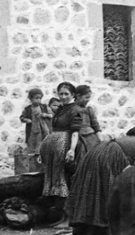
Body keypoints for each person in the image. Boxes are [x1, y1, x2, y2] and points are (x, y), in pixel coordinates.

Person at [38, 81, 88, 225]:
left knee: (66, 178)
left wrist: (71, 150)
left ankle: (69, 218)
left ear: (73, 95)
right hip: (55, 148)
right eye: (61, 94)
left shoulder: (75, 110)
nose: (63, 96)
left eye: (66, 94)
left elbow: (75, 132)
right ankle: (61, 216)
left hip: (68, 147)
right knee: (56, 179)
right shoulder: (60, 109)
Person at [19, 87, 52, 167]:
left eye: (40, 98)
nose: (38, 100)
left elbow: (51, 115)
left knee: (41, 147)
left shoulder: (44, 107)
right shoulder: (27, 109)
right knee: (31, 147)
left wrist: (45, 115)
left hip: (42, 131)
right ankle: (32, 166)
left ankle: (42, 165)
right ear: (31, 99)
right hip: (32, 131)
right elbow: (22, 117)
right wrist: (27, 120)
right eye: (36, 98)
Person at [73, 84, 102, 158]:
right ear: (78, 96)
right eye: (86, 97)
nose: (88, 100)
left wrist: (102, 142)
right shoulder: (71, 109)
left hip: (92, 139)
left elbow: (96, 126)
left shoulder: (89, 110)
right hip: (78, 138)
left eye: (89, 97)